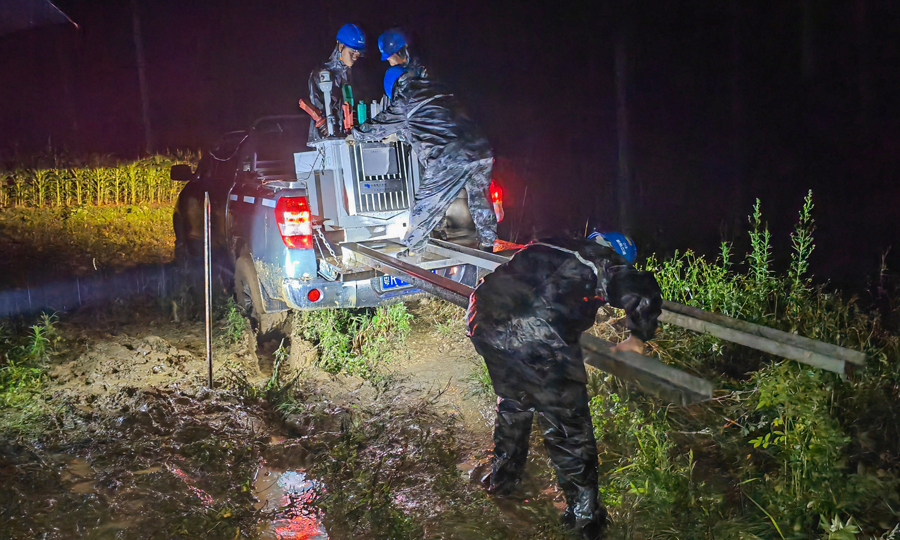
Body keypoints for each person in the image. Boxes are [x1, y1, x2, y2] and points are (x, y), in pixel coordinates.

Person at [466, 232, 663, 540]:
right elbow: (643, 291)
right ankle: (585, 520)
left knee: (515, 402)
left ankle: (502, 482)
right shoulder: (603, 259)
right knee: (570, 429)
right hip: (537, 339)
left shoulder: (552, 243)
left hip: (484, 321)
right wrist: (636, 337)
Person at [349, 65, 496, 255]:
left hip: (449, 156)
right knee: (481, 198)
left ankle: (412, 249)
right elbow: (429, 126)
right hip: (480, 148)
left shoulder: (405, 100)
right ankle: (487, 243)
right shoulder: (437, 89)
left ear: (393, 89)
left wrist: (355, 135)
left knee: (426, 204)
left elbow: (376, 127)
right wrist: (399, 135)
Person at [307, 23, 365, 139]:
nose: (356, 56)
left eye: (358, 52)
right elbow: (317, 107)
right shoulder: (321, 74)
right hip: (325, 140)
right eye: (352, 52)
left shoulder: (349, 73)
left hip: (347, 136)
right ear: (340, 47)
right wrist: (326, 128)